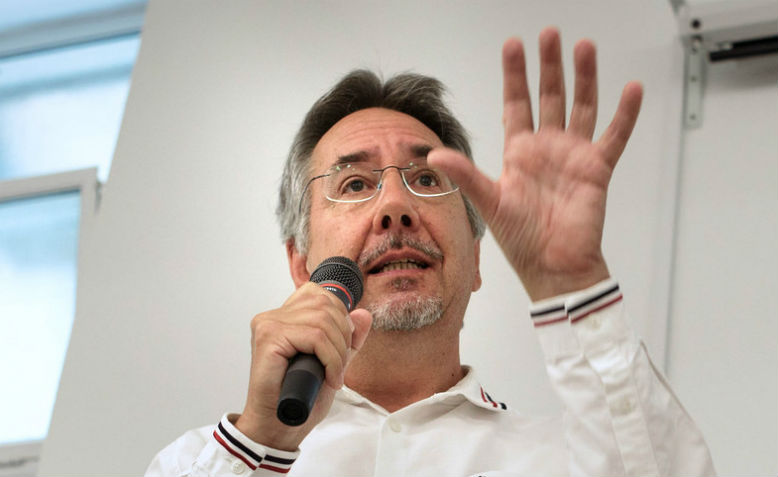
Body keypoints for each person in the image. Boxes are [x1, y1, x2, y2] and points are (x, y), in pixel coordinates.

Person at [146, 28, 715, 476]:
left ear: (474, 257)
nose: (396, 205)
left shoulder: (568, 460)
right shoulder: (198, 463)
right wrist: (261, 444)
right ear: (301, 265)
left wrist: (573, 284)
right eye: (355, 184)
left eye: (424, 178)